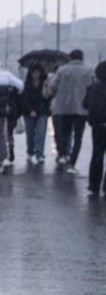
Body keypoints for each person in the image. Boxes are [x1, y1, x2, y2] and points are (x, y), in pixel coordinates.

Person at [48, 49, 95, 173]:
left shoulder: (62, 70)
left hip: (64, 107)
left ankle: (62, 155)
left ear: (70, 58)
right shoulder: (89, 70)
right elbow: (93, 86)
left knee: (65, 133)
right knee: (78, 136)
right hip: (82, 108)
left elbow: (52, 86)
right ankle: (72, 162)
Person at [19, 64, 52, 165]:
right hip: (28, 113)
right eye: (34, 72)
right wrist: (30, 110)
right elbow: (23, 99)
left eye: (38, 72)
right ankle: (30, 151)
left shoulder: (45, 84)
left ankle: (40, 154)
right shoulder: (26, 85)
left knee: (41, 134)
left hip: (42, 112)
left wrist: (47, 86)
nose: (36, 75)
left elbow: (48, 98)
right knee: (30, 134)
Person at [84, 62, 106, 197]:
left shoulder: (93, 87)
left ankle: (94, 186)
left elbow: (85, 103)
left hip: (97, 125)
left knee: (97, 155)